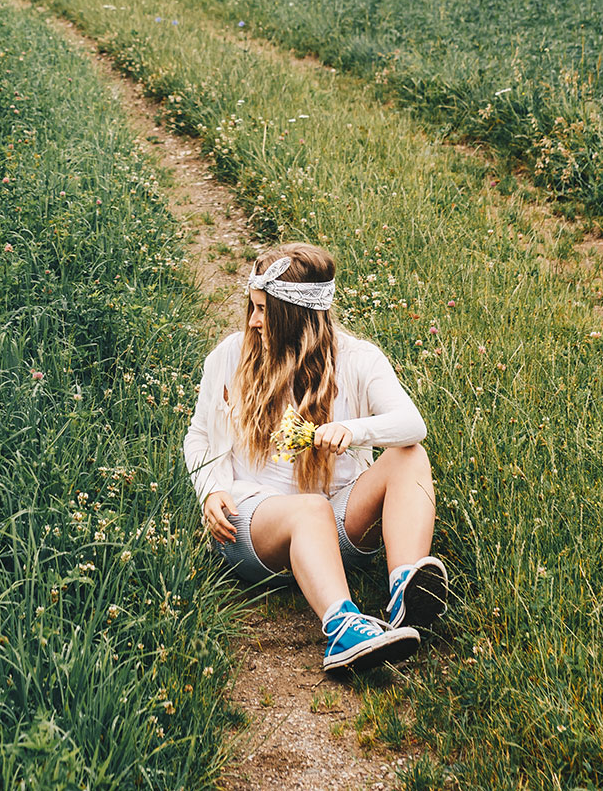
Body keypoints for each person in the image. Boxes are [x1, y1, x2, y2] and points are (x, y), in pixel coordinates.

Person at [183, 242, 447, 671]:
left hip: (335, 520)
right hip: (253, 523)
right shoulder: (231, 355)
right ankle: (342, 628)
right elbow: (196, 436)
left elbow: (412, 423)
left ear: (295, 317)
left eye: (264, 311)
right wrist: (209, 490)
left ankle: (404, 590)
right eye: (252, 308)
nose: (253, 322)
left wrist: (354, 430)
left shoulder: (358, 359)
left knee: (409, 456)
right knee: (308, 511)